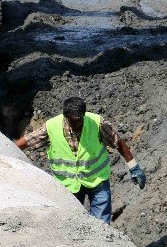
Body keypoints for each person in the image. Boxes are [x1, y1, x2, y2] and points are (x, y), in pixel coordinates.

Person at [14, 96, 146, 224]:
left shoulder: (96, 123)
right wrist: (5, 147)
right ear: (66, 117)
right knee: (73, 224)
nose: (77, 125)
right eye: (73, 121)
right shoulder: (52, 126)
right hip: (69, 185)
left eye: (80, 120)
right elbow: (29, 140)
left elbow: (118, 142)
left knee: (102, 226)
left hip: (97, 179)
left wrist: (133, 167)